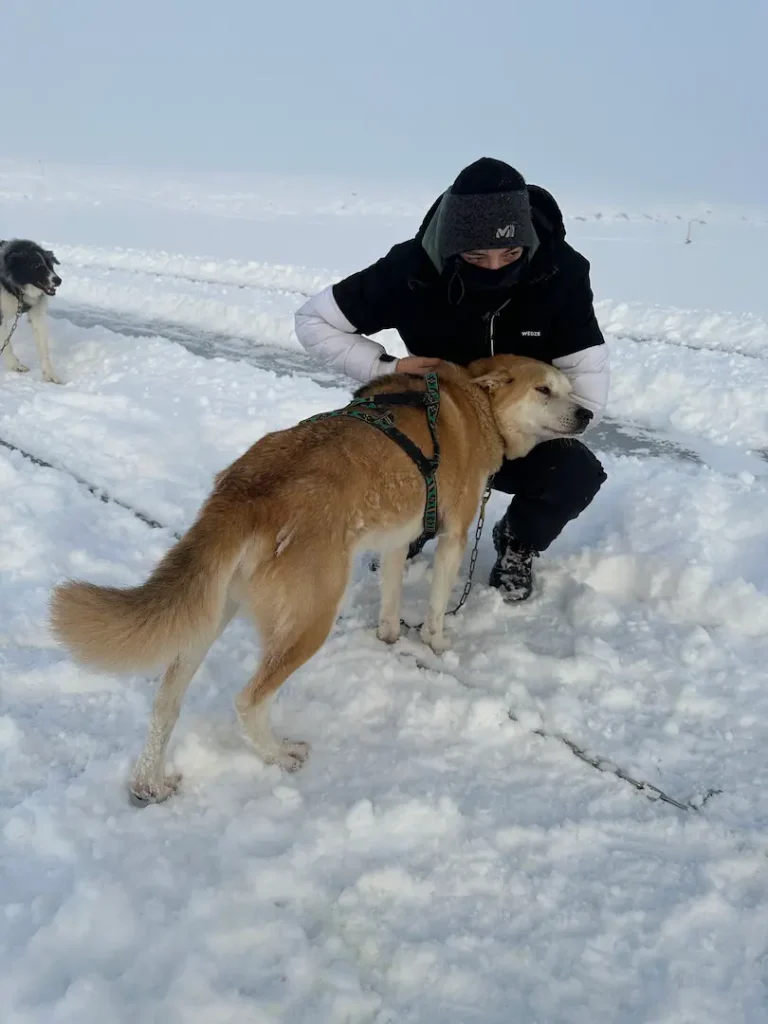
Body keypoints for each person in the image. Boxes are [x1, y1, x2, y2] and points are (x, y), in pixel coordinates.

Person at [294, 157, 609, 601]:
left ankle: (517, 540)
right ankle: (420, 520)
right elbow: (314, 321)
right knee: (395, 452)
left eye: (511, 253)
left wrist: (500, 440)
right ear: (450, 245)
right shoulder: (411, 269)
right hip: (436, 424)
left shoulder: (561, 273)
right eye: (477, 256)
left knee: (574, 473)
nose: (496, 267)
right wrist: (386, 368)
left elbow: (588, 391)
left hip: (519, 428)